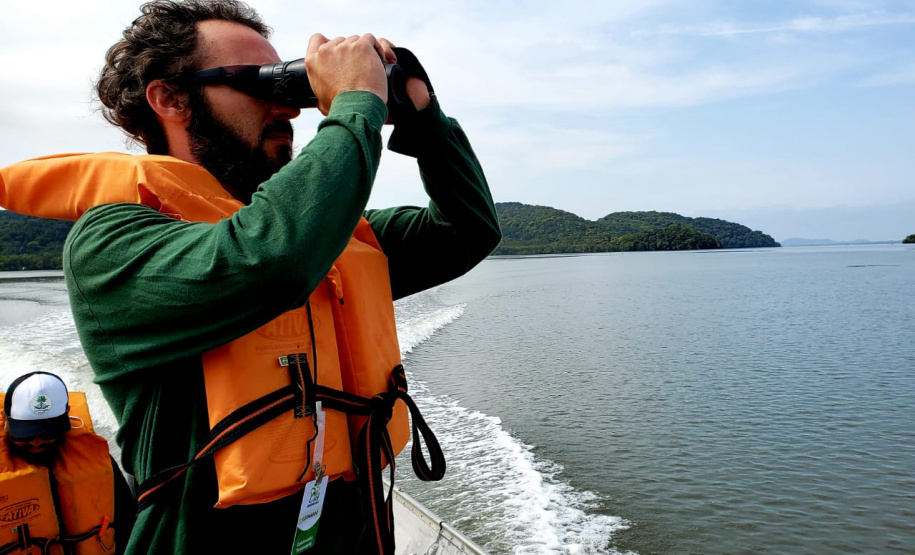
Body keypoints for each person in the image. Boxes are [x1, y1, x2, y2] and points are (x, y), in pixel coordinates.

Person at [0, 0, 499, 553]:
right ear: (169, 99)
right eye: (258, 84)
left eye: (288, 86)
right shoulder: (112, 241)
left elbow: (468, 230)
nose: (287, 109)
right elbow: (267, 260)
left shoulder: (334, 240)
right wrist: (354, 105)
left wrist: (422, 116)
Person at [1, 371, 136, 554]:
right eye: (26, 434)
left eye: (48, 434)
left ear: (67, 417)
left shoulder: (97, 461)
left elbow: (127, 522)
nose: (36, 442)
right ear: (6, 420)